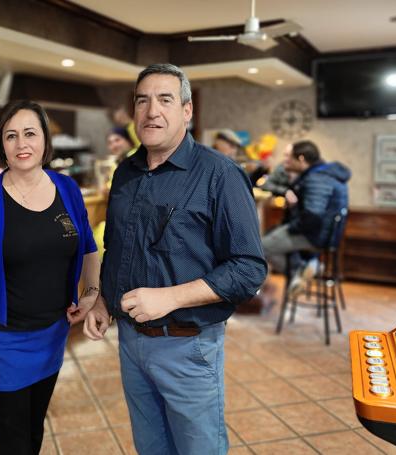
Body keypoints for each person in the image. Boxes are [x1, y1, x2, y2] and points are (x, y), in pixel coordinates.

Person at [84, 63, 266, 455]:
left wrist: (171, 297)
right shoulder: (125, 173)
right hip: (130, 342)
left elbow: (249, 269)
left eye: (165, 100)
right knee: (150, 448)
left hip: (188, 346)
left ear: (186, 111)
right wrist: (101, 299)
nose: (152, 111)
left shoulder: (220, 174)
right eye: (142, 101)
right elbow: (117, 247)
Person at [0, 100, 99, 455]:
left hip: (52, 335)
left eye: (30, 133)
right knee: (14, 443)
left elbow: (90, 247)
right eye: (11, 136)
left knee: (33, 434)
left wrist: (90, 295)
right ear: (1, 144)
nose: (21, 144)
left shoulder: (67, 189)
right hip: (4, 343)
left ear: (46, 140)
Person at [261, 140, 350, 295]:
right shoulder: (327, 174)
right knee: (273, 237)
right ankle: (306, 267)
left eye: (291, 158)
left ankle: (301, 270)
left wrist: (291, 227)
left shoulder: (316, 178)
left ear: (301, 159)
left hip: (314, 236)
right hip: (326, 235)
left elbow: (313, 216)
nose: (286, 161)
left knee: (258, 249)